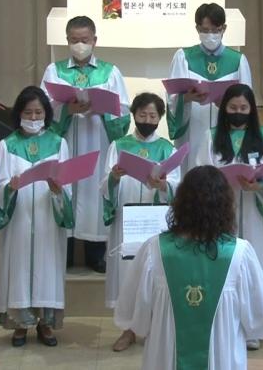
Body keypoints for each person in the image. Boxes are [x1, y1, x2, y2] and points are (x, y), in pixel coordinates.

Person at [114, 166, 263, 370]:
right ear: (225, 206)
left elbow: (133, 316)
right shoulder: (240, 254)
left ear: (180, 204)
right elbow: (260, 320)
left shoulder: (154, 250)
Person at [196, 83, 263, 351]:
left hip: (255, 211)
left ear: (252, 109)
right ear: (224, 109)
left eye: (244, 108)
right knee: (224, 267)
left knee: (255, 266)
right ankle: (222, 324)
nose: (238, 112)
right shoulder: (212, 136)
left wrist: (259, 185)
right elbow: (201, 170)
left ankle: (253, 328)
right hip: (222, 210)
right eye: (233, 107)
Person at [40, 16, 131, 273]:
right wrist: (66, 110)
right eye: (74, 40)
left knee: (94, 192)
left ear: (94, 40)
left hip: (97, 140)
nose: (79, 45)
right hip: (66, 142)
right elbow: (42, 108)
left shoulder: (110, 72)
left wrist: (102, 109)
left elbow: (123, 110)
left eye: (85, 40)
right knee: (66, 187)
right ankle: (65, 251)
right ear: (67, 40)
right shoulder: (54, 71)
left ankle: (95, 253)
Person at [0, 86, 74, 347]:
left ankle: (45, 324)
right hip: (20, 220)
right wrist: (9, 188)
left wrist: (58, 190)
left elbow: (68, 185)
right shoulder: (7, 146)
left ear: (47, 114)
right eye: (28, 112)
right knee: (20, 269)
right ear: (19, 114)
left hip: (49, 219)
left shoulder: (59, 143)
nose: (34, 117)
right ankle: (20, 324)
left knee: (48, 269)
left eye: (39, 112)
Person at [100, 92, 181, 352]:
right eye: (142, 114)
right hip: (127, 220)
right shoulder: (118, 146)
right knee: (127, 274)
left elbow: (178, 185)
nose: (147, 120)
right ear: (134, 114)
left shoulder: (168, 149)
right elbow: (104, 185)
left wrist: (164, 185)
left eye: (153, 115)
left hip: (155, 221)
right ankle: (128, 330)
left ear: (160, 118)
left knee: (155, 273)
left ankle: (155, 329)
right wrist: (114, 177)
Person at [167, 3, 252, 174]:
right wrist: (186, 98)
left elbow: (248, 100)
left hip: (226, 128)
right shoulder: (184, 57)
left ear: (224, 29)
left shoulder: (237, 60)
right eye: (205, 30)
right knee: (192, 172)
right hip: (193, 128)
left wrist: (229, 105)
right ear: (197, 29)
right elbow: (172, 98)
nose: (210, 35)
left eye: (215, 30)